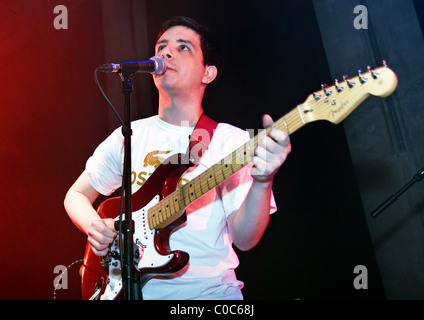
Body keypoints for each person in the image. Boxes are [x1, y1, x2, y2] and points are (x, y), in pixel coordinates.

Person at [64, 16, 291, 300]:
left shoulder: (229, 141)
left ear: (207, 74)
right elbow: (75, 195)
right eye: (162, 46)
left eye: (184, 47)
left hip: (207, 296)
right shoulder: (128, 135)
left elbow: (246, 239)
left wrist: (263, 180)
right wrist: (94, 226)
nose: (166, 53)